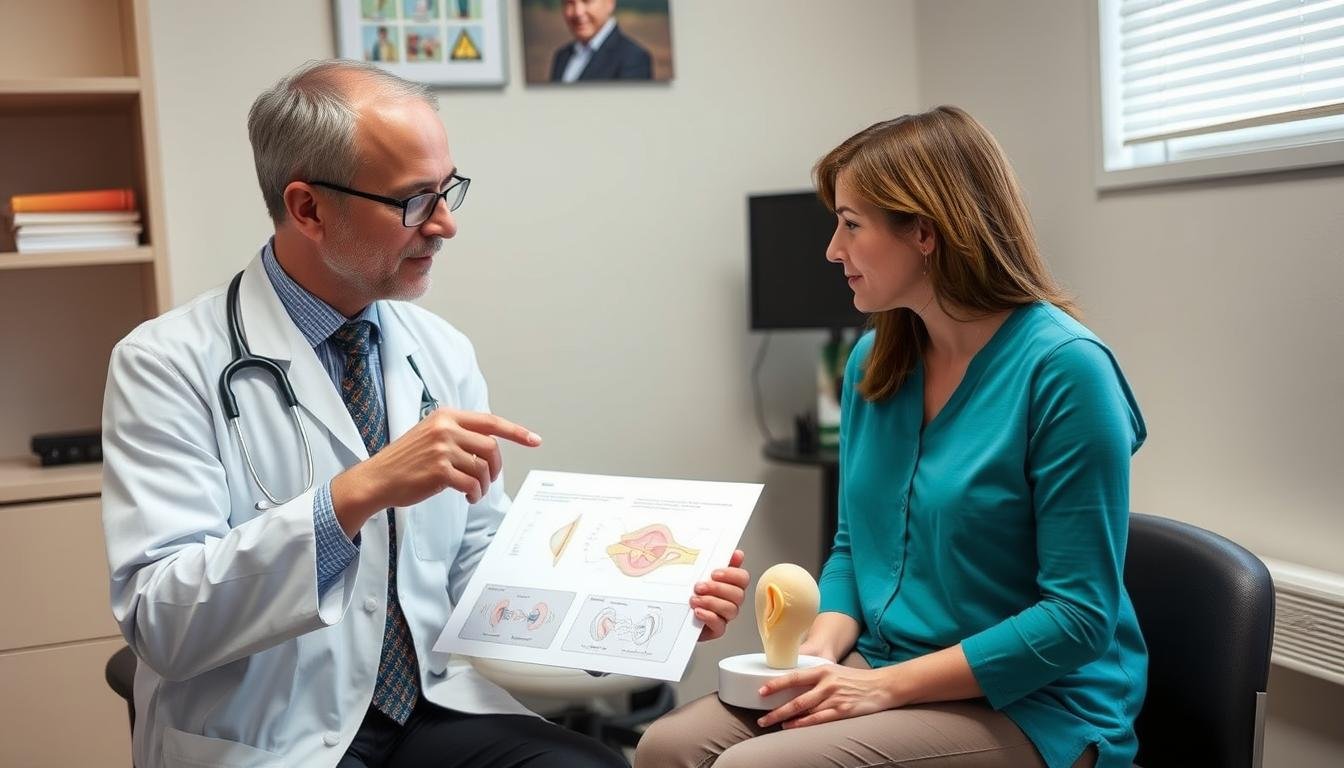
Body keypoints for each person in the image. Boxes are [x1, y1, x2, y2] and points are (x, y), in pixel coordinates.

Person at [101, 58, 749, 768]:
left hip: (427, 712)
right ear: (308, 208)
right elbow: (160, 618)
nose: (444, 225)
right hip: (271, 730)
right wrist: (355, 495)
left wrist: (642, 612)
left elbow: (480, 567)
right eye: (414, 201)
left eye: (448, 192)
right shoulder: (165, 363)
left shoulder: (439, 351)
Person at [635, 106, 1147, 768]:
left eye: (850, 225)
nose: (832, 250)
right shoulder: (874, 363)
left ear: (926, 232)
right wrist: (819, 652)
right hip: (884, 666)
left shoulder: (1067, 371)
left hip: (1033, 703)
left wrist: (877, 688)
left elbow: (1079, 618)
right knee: (667, 747)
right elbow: (854, 549)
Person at [549, 0, 652, 82]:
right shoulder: (562, 56)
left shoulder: (634, 59)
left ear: (610, 3)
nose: (578, 12)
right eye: (569, 2)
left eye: (587, 1)